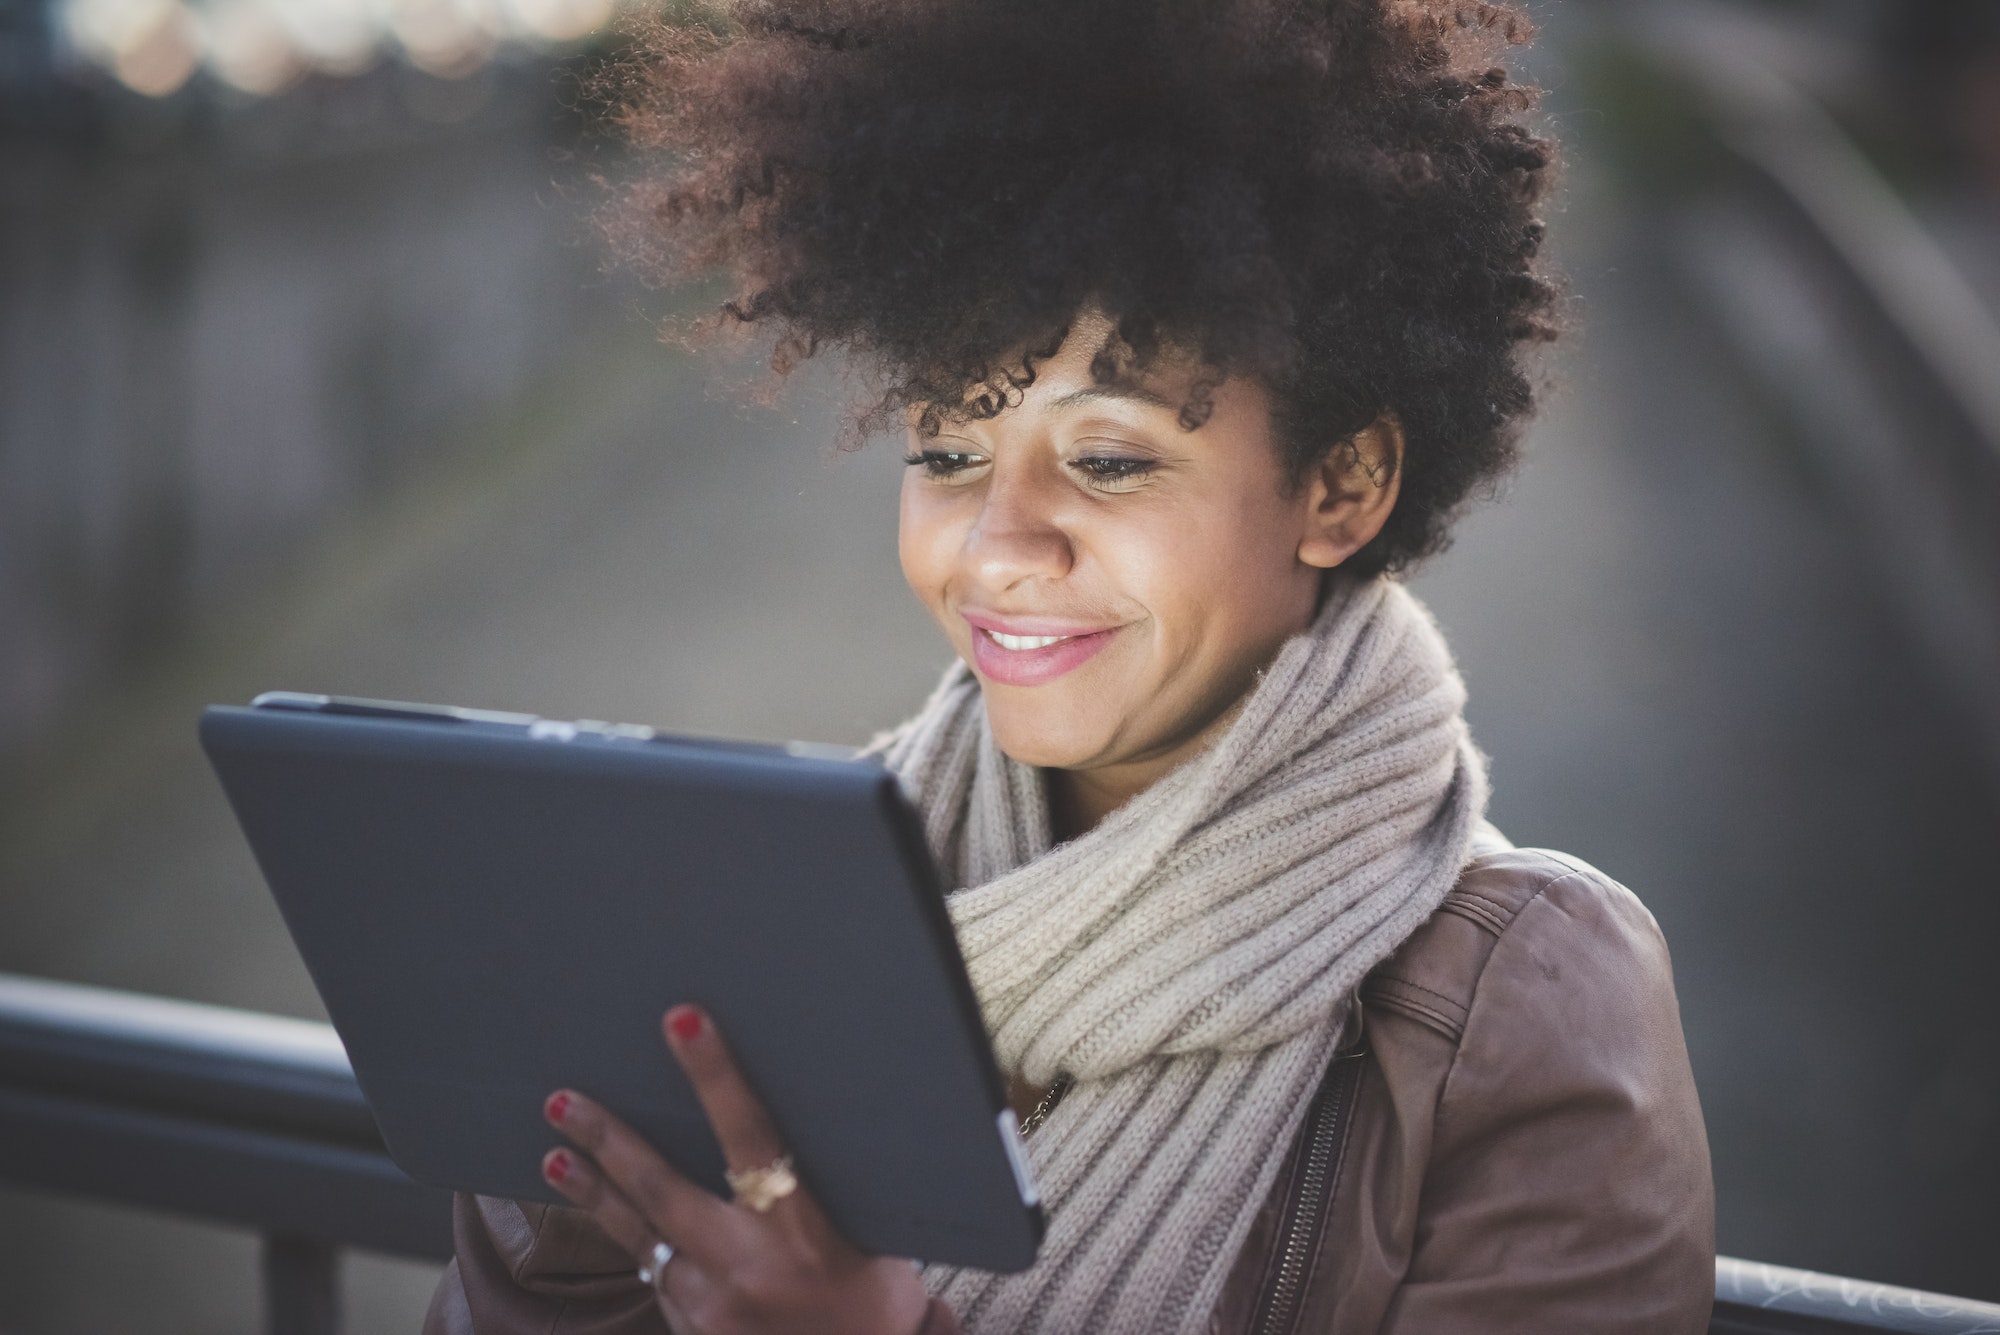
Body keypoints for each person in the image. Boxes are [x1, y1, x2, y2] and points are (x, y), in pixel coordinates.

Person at [424, 0, 1715, 1331]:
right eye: (946, 454)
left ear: (1344, 483)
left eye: (1109, 460)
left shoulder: (1524, 1012)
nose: (999, 549)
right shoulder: (780, 909)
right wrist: (580, 1216)